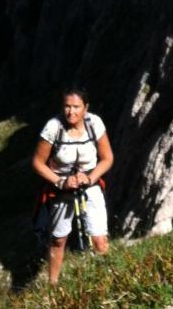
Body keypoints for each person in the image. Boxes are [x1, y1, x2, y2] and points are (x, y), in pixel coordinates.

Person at [32, 86, 114, 285]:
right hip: (61, 189)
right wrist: (60, 182)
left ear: (86, 107)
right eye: (67, 106)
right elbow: (37, 162)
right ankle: (53, 284)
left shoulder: (95, 124)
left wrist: (91, 177)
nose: (71, 111)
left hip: (90, 185)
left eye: (76, 107)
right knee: (58, 239)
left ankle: (108, 280)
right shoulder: (53, 127)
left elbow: (107, 158)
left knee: (100, 240)